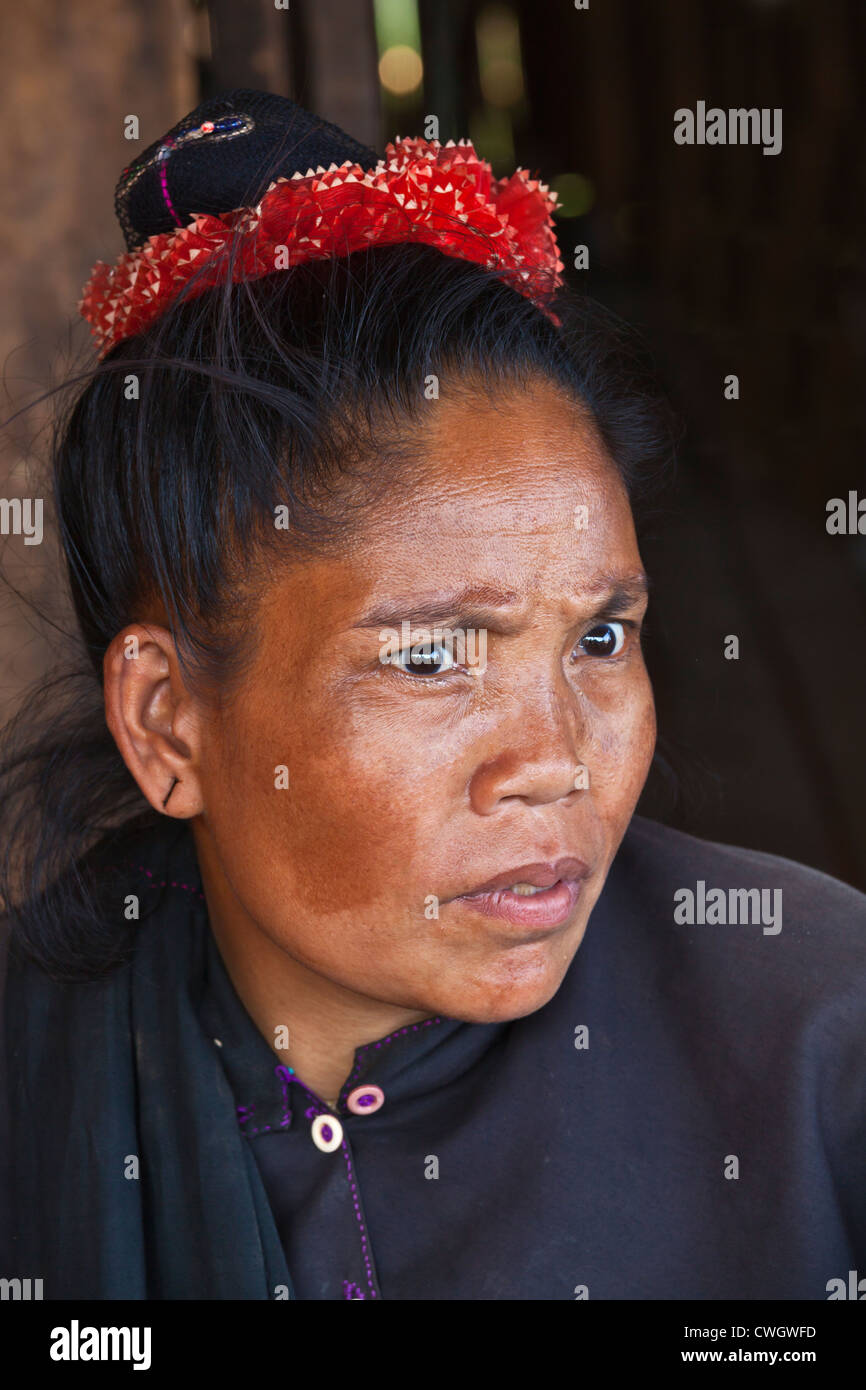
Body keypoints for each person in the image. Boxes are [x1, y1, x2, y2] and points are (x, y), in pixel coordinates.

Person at [0, 89, 863, 1301]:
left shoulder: (821, 1037)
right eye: (429, 657)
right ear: (163, 721)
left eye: (600, 635)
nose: (556, 759)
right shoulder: (36, 1085)